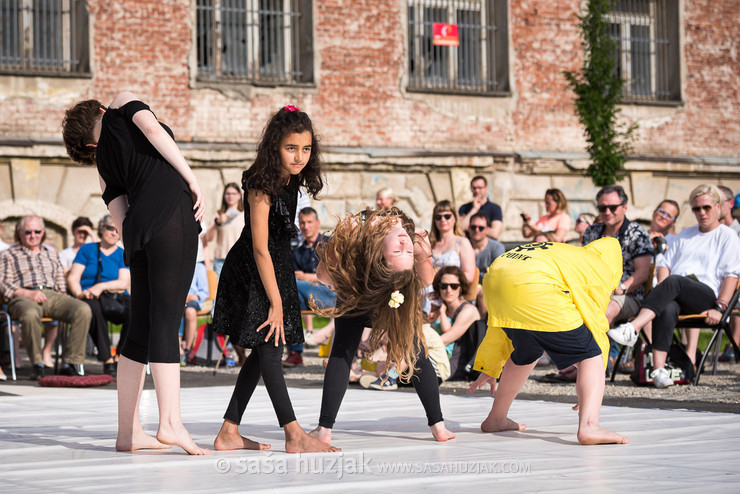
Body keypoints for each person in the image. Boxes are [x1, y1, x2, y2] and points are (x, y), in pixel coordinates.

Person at [62, 92, 209, 454]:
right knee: (165, 321)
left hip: (138, 232)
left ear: (88, 144)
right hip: (171, 218)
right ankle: (171, 424)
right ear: (97, 110)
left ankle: (128, 433)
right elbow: (155, 133)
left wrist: (141, 238)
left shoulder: (103, 167)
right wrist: (192, 179)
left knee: (140, 328)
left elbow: (119, 216)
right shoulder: (122, 104)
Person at [211, 105, 337, 454]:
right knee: (270, 345)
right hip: (253, 268)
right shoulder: (260, 183)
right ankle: (294, 433)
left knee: (266, 347)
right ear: (274, 146)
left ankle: (228, 432)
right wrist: (278, 302)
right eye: (291, 148)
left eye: (306, 148)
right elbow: (260, 247)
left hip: (275, 265)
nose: (299, 156)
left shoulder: (292, 179)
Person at [308, 207, 456, 446]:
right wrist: (420, 249)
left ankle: (324, 429)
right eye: (404, 249)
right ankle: (438, 426)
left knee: (411, 350)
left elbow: (324, 276)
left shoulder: (358, 232)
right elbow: (426, 279)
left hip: (367, 293)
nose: (404, 241)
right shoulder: (400, 234)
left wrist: (339, 242)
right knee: (409, 350)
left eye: (402, 249)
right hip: (374, 292)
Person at [467, 238, 629, 445]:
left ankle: (496, 418)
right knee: (591, 355)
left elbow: (499, 326)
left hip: (495, 278)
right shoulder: (599, 267)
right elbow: (596, 322)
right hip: (534, 285)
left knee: (527, 350)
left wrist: (490, 364)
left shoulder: (567, 253)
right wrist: (589, 385)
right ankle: (589, 426)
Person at [609, 184, 740, 388]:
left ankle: (633, 328)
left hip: (706, 296)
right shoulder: (685, 235)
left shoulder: (727, 236)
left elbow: (731, 275)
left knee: (675, 280)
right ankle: (659, 371)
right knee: (668, 305)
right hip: (677, 294)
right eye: (696, 208)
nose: (702, 212)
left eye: (706, 207)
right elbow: (665, 265)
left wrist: (721, 307)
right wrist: (664, 290)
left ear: (718, 206)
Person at [0, 215, 91, 380]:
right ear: (20, 232)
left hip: (51, 295)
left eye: (37, 231)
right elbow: (4, 282)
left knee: (82, 309)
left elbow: (59, 281)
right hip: (22, 296)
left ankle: (69, 363)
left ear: (42, 233)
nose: (33, 235)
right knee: (29, 314)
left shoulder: (51, 254)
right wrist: (28, 293)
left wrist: (63, 297)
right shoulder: (8, 254)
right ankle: (37, 364)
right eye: (28, 232)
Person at [67, 215, 131, 377]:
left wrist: (100, 287)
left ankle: (120, 356)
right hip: (89, 296)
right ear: (101, 229)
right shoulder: (87, 250)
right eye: (110, 227)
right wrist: (79, 294)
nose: (114, 232)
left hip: (115, 295)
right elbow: (73, 277)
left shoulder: (122, 253)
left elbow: (123, 283)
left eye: (118, 230)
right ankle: (107, 358)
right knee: (93, 309)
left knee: (136, 310)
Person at [582, 185, 652, 327]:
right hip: (593, 292)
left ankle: (601, 350)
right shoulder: (592, 231)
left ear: (624, 207)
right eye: (602, 208)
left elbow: (643, 272)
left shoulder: (637, 233)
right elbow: (582, 265)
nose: (607, 212)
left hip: (627, 295)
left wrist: (620, 288)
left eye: (613, 207)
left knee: (604, 311)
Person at [284, 207, 336, 366]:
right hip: (307, 296)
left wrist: (308, 277)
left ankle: (295, 352)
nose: (306, 226)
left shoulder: (330, 245)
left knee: (291, 287)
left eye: (309, 222)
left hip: (331, 294)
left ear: (318, 223)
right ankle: (295, 352)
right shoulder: (298, 252)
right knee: (289, 296)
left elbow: (335, 276)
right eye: (302, 223)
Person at [428, 266, 484, 380]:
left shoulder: (468, 310)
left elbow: (446, 339)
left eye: (454, 286)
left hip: (458, 364)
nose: (448, 290)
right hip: (443, 357)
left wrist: (414, 349)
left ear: (461, 288)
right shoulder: (440, 309)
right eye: (444, 286)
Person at [202, 183, 245, 277]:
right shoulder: (217, 215)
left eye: (233, 194)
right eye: (228, 194)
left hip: (240, 259)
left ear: (239, 195)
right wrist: (217, 223)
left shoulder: (244, 215)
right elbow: (208, 238)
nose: (230, 196)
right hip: (221, 260)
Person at [430, 200, 476, 284]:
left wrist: (443, 275)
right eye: (438, 217)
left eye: (447, 216)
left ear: (455, 218)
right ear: (434, 220)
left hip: (452, 291)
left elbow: (469, 276)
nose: (442, 220)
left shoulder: (462, 242)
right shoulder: (429, 244)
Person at [179, 261, 210, 360]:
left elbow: (204, 292)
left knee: (190, 312)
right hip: (179, 299)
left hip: (194, 299)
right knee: (174, 310)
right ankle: (177, 346)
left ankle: (188, 350)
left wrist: (190, 297)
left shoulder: (199, 267)